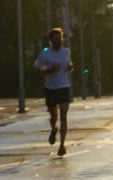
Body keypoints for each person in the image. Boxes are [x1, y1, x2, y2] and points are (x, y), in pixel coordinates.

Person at [34, 28, 73, 157]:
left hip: (64, 86)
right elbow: (38, 67)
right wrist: (49, 70)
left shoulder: (66, 52)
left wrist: (70, 67)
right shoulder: (45, 53)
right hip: (50, 88)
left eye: (60, 38)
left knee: (64, 116)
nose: (58, 41)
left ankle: (62, 145)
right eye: (55, 39)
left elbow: (69, 65)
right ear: (51, 41)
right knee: (54, 116)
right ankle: (53, 128)